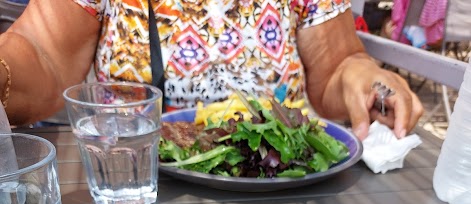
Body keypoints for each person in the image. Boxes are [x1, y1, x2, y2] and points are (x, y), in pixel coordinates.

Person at [0, 0, 423, 140]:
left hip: (282, 187)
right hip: (136, 189)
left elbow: (338, 68)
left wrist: (363, 77)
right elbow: (42, 53)